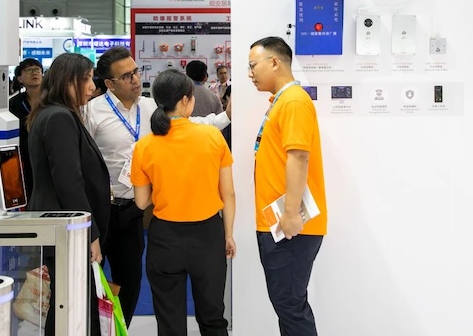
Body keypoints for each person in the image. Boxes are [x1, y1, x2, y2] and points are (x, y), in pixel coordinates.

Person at [85, 46, 232, 327]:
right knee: (92, 279)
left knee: (130, 281)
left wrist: (226, 115)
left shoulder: (150, 106)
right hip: (103, 209)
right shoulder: (93, 112)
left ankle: (122, 329)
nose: (135, 79)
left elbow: (190, 122)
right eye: (127, 76)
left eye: (136, 72)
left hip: (134, 210)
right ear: (110, 84)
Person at [131, 69, 236, 336]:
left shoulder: (144, 146)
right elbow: (228, 194)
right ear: (186, 100)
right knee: (213, 318)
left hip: (164, 238)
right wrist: (228, 235)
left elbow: (141, 202)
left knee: (170, 322)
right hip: (208, 236)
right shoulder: (212, 137)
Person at [26, 53, 111, 336]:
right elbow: (68, 182)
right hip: (68, 229)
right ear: (68, 81)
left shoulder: (54, 114)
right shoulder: (59, 117)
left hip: (64, 227)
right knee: (72, 304)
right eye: (86, 79)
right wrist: (90, 233)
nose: (93, 86)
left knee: (70, 302)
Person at [248, 36, 327, 336]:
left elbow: (298, 156)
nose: (250, 73)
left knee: (290, 305)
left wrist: (292, 213)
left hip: (291, 225)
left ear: (274, 62)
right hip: (277, 222)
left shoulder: (293, 101)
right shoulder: (282, 101)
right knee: (287, 304)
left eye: (253, 65)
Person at [9, 58, 43, 199]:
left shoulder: (51, 99)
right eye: (29, 70)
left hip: (46, 155)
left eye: (37, 70)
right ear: (20, 78)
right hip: (24, 157)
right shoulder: (14, 103)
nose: (34, 73)